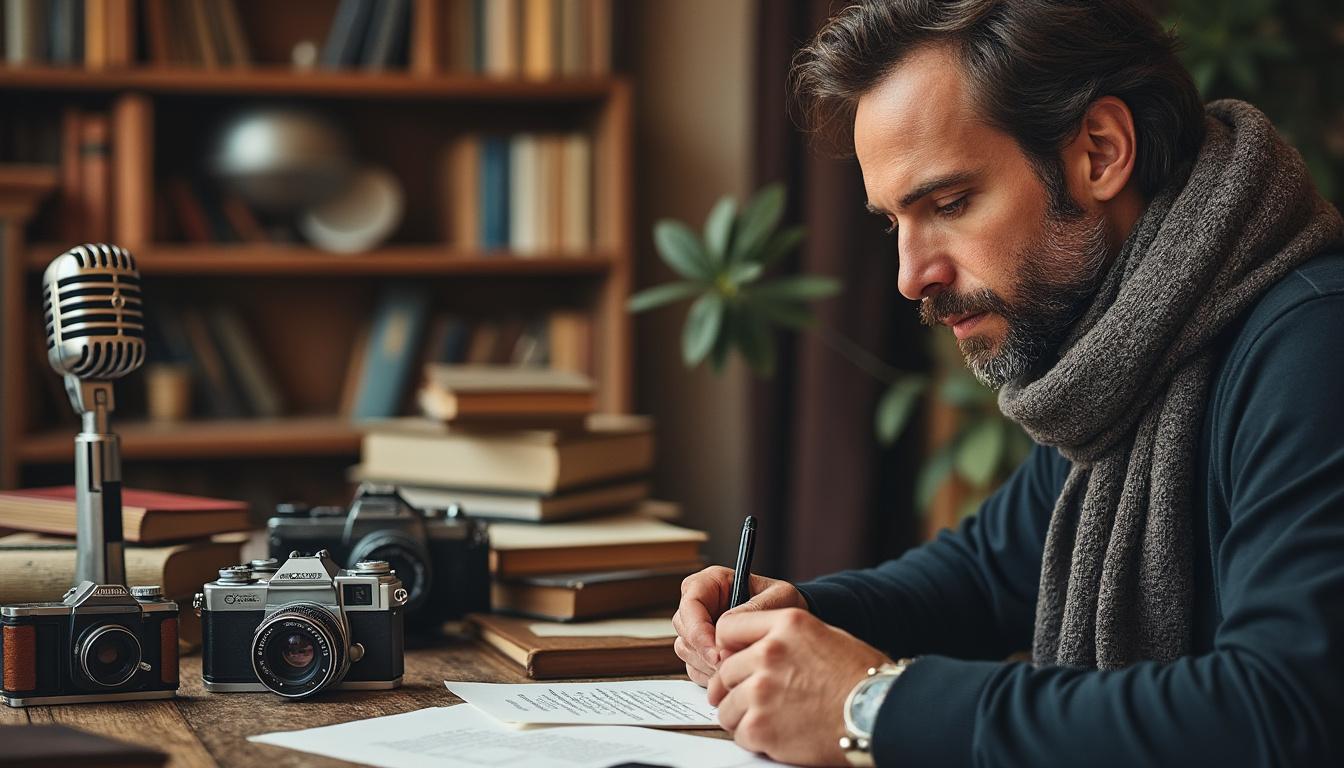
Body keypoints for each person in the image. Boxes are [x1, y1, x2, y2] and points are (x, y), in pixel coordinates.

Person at [671, 2, 1344, 766]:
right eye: (896, 222)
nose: (909, 277)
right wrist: (791, 616)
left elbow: (1285, 713)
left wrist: (870, 705)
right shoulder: (1124, 350)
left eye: (949, 204)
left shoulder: (1315, 346)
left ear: (1100, 151)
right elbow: (990, 575)